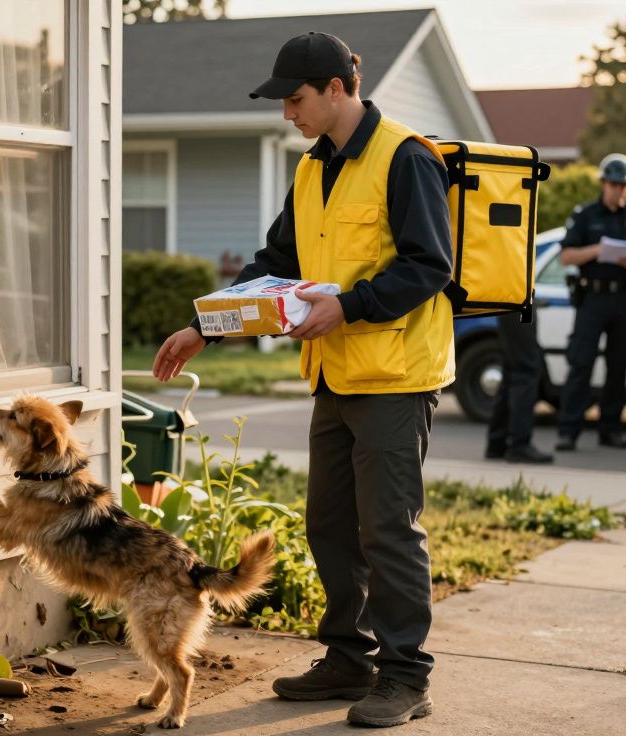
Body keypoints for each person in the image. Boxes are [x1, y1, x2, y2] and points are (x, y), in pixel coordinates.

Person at [151, 31, 452, 728]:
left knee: (387, 530)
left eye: (296, 99)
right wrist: (208, 324)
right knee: (329, 528)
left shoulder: (406, 157)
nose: (288, 113)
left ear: (338, 88)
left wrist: (349, 304)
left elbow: (429, 264)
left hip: (396, 376)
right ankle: (349, 659)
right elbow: (275, 260)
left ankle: (406, 677)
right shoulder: (314, 169)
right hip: (337, 376)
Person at [553, 154, 626, 452]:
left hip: (624, 298)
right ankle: (568, 430)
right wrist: (598, 249)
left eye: (623, 185)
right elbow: (566, 256)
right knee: (580, 363)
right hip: (593, 299)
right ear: (603, 183)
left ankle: (611, 429)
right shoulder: (585, 215)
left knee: (619, 365)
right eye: (614, 184)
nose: (619, 190)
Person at [485, 312, 552, 463]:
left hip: (513, 304)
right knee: (525, 370)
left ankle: (497, 442)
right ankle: (519, 445)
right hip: (519, 303)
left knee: (512, 371)